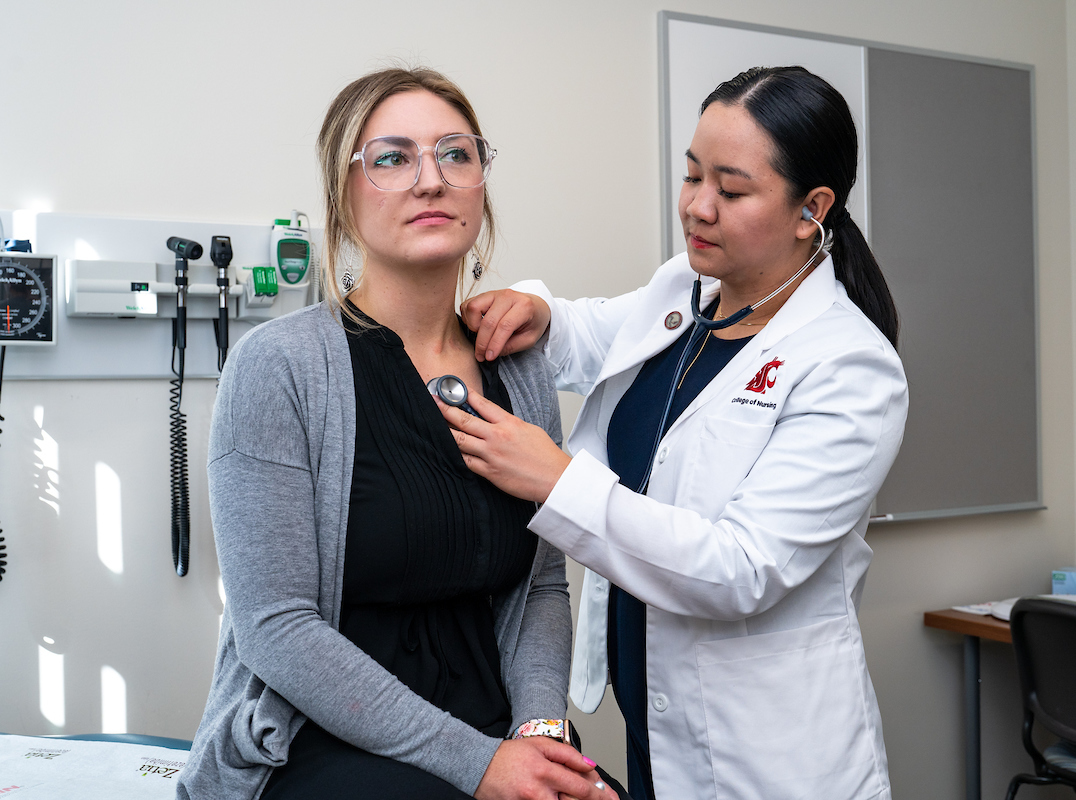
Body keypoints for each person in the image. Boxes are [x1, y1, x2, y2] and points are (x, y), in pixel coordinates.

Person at [438, 66, 909, 800]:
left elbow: (742, 569)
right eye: (691, 176)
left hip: (768, 761)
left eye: (732, 188)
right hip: (653, 724)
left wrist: (554, 479)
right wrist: (537, 310)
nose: (697, 207)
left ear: (810, 209)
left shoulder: (851, 367)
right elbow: (589, 330)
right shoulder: (683, 289)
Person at [178, 67, 617, 800]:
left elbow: (541, 582)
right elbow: (276, 627)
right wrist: (477, 766)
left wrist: (541, 732)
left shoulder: (519, 365)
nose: (431, 180)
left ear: (480, 184)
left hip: (496, 724)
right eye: (391, 157)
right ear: (342, 199)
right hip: (321, 738)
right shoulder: (280, 366)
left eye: (456, 153)